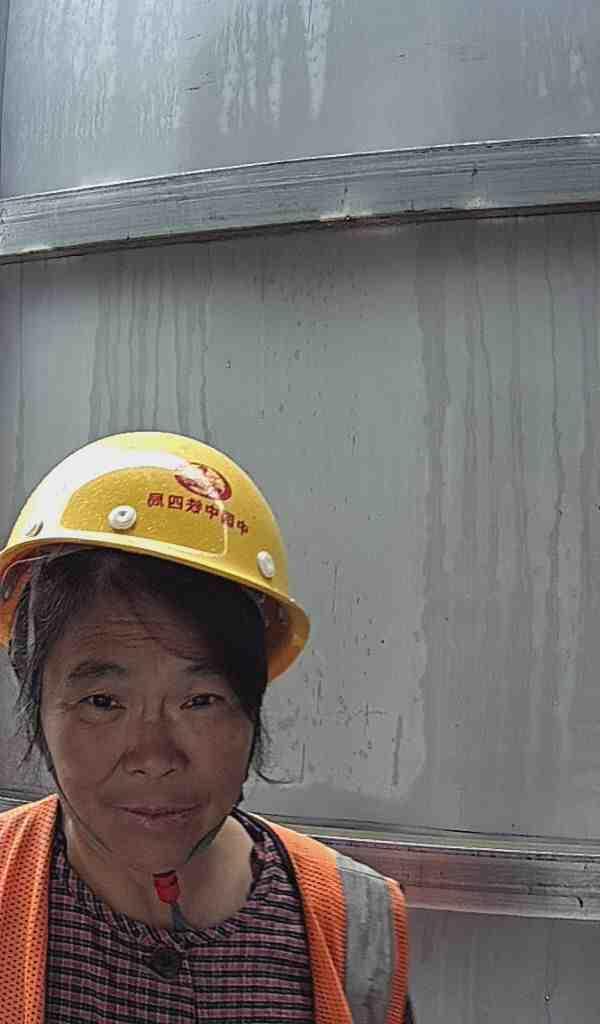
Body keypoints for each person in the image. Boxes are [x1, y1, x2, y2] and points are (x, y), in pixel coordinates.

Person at [0, 431, 412, 1023]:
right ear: (37, 701)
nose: (154, 756)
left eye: (200, 701)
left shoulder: (358, 922)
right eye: (103, 701)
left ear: (252, 701)